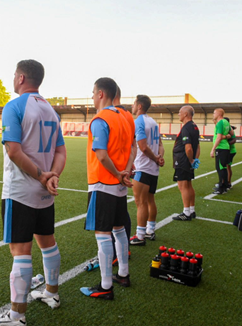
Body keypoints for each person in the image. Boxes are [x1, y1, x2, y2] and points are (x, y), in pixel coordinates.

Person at [0, 60, 66, 326]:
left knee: (20, 250)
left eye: (14, 75)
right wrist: (52, 175)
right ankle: (52, 293)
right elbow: (60, 151)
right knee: (47, 241)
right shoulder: (51, 111)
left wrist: (43, 176)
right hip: (44, 193)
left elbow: (14, 151)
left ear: (21, 78)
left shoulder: (14, 106)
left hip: (20, 191)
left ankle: (17, 315)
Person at [80, 77, 133, 300]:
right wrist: (125, 173)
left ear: (101, 93)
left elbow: (101, 155)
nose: (92, 96)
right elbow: (133, 149)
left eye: (93, 92)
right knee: (119, 230)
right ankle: (123, 274)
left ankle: (105, 286)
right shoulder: (126, 116)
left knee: (102, 234)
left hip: (104, 184)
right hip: (120, 185)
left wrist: (118, 174)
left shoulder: (100, 119)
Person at [129, 95, 164, 244]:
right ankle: (150, 230)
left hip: (142, 168)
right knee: (150, 200)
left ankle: (140, 235)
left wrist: (156, 158)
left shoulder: (139, 121)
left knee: (141, 202)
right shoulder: (154, 122)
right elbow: (161, 144)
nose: (132, 106)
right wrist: (159, 157)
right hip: (153, 169)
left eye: (134, 103)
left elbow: (143, 147)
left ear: (139, 106)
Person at [111, 87, 135, 263]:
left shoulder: (115, 114)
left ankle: (115, 254)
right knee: (121, 211)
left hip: (114, 172)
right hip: (124, 169)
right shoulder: (128, 115)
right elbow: (132, 145)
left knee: (113, 218)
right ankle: (123, 250)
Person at [172, 105, 200, 221]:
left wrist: (190, 160)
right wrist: (195, 159)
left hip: (183, 161)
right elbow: (197, 145)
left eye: (180, 112)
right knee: (188, 185)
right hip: (188, 160)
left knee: (182, 186)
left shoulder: (186, 128)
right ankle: (191, 210)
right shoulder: (194, 127)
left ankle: (186, 213)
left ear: (186, 114)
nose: (178, 114)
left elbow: (188, 148)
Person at [210, 108, 230, 194]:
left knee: (220, 168)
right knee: (223, 168)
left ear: (219, 114)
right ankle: (224, 186)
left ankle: (221, 188)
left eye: (214, 113)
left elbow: (218, 137)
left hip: (221, 148)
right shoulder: (226, 122)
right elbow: (230, 134)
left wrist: (213, 149)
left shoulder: (220, 123)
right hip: (225, 148)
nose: (213, 115)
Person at [224, 117, 237, 190]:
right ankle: (225, 182)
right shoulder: (228, 128)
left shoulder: (229, 130)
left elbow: (234, 140)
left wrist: (226, 144)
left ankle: (228, 183)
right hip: (227, 151)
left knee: (227, 167)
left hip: (230, 151)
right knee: (225, 167)